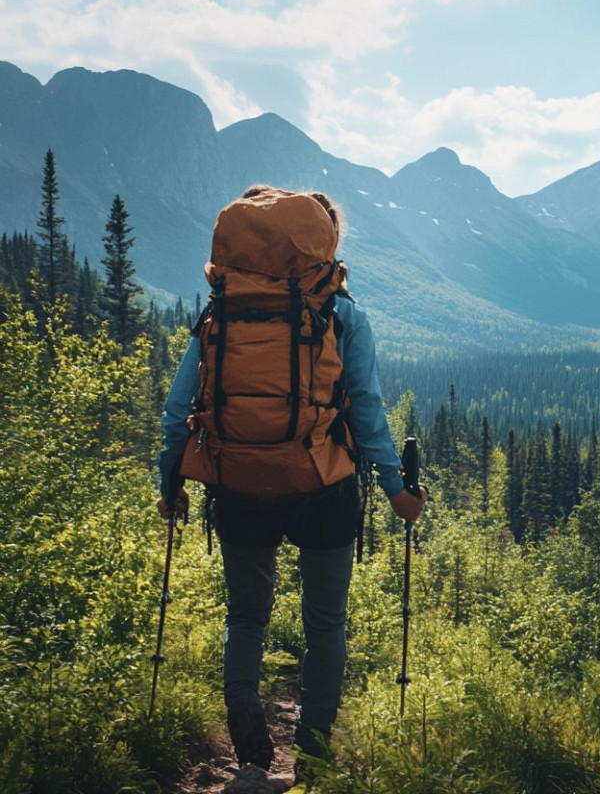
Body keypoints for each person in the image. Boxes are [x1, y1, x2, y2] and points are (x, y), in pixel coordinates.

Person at [156, 187, 426, 774]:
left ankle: (244, 713)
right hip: (322, 488)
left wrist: (170, 481)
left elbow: (177, 411)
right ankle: (313, 752)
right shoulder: (343, 316)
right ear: (324, 246)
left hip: (238, 481)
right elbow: (367, 412)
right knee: (325, 624)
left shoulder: (220, 313)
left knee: (245, 616)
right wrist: (396, 491)